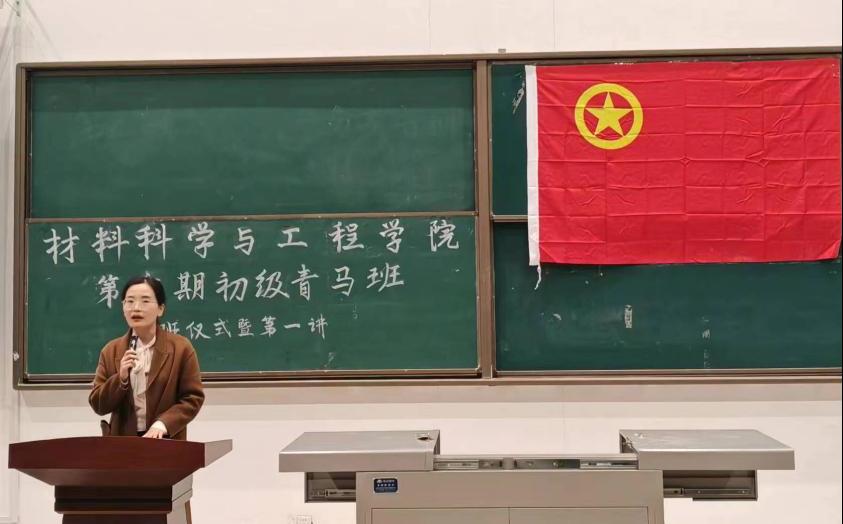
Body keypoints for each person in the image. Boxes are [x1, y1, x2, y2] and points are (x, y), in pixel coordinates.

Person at [89, 275, 204, 440]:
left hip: (166, 442)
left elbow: (193, 398)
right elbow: (98, 405)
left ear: (160, 309)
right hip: (122, 443)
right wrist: (121, 379)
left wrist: (163, 424)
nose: (136, 308)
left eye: (145, 301)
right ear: (123, 308)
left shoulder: (181, 348)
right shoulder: (111, 350)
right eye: (129, 301)